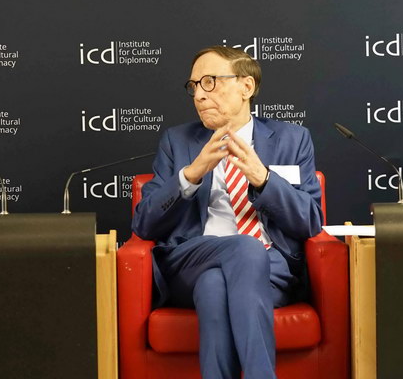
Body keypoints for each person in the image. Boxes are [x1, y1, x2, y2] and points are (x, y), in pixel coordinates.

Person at [132, 46, 322, 379]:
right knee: (245, 248)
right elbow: (145, 224)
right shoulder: (177, 141)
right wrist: (191, 174)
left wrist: (263, 179)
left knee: (213, 287)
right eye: (194, 86)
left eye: (210, 82)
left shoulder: (293, 140)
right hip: (190, 261)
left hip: (270, 268)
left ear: (246, 87)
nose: (199, 95)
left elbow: (310, 222)